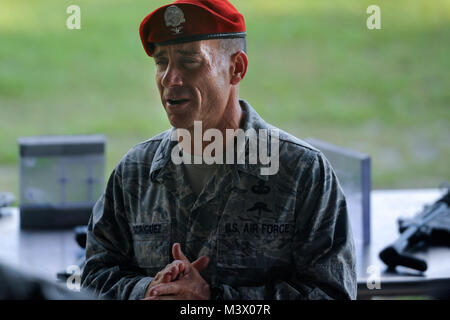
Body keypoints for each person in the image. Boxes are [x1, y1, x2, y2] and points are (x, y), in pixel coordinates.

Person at [81, 0, 356, 300]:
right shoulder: (134, 172)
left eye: (190, 61)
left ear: (236, 69)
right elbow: (94, 278)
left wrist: (214, 301)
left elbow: (332, 293)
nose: (169, 79)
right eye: (162, 62)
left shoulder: (302, 173)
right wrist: (148, 291)